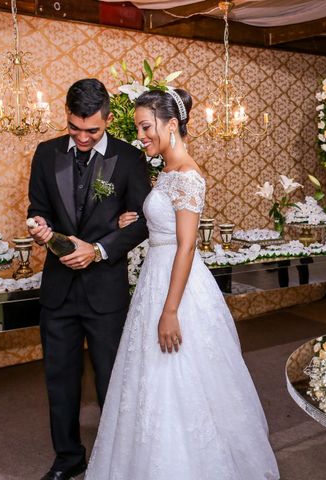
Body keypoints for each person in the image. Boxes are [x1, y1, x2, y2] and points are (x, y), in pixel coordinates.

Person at [84, 88, 279, 479]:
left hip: (177, 285)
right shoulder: (167, 172)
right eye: (138, 127)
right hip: (155, 278)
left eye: (145, 126)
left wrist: (170, 310)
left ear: (171, 124)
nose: (140, 136)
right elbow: (165, 226)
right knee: (148, 381)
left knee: (179, 376)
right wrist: (135, 220)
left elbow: (187, 245)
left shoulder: (188, 175)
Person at [27, 78, 151, 480]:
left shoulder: (130, 158)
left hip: (105, 289)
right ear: (66, 117)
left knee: (111, 378)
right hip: (58, 291)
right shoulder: (45, 155)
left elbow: (143, 222)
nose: (82, 137)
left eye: (92, 130)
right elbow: (38, 207)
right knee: (59, 380)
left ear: (109, 120)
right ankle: (68, 458)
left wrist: (98, 249)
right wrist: (40, 226)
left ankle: (113, 457)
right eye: (74, 128)